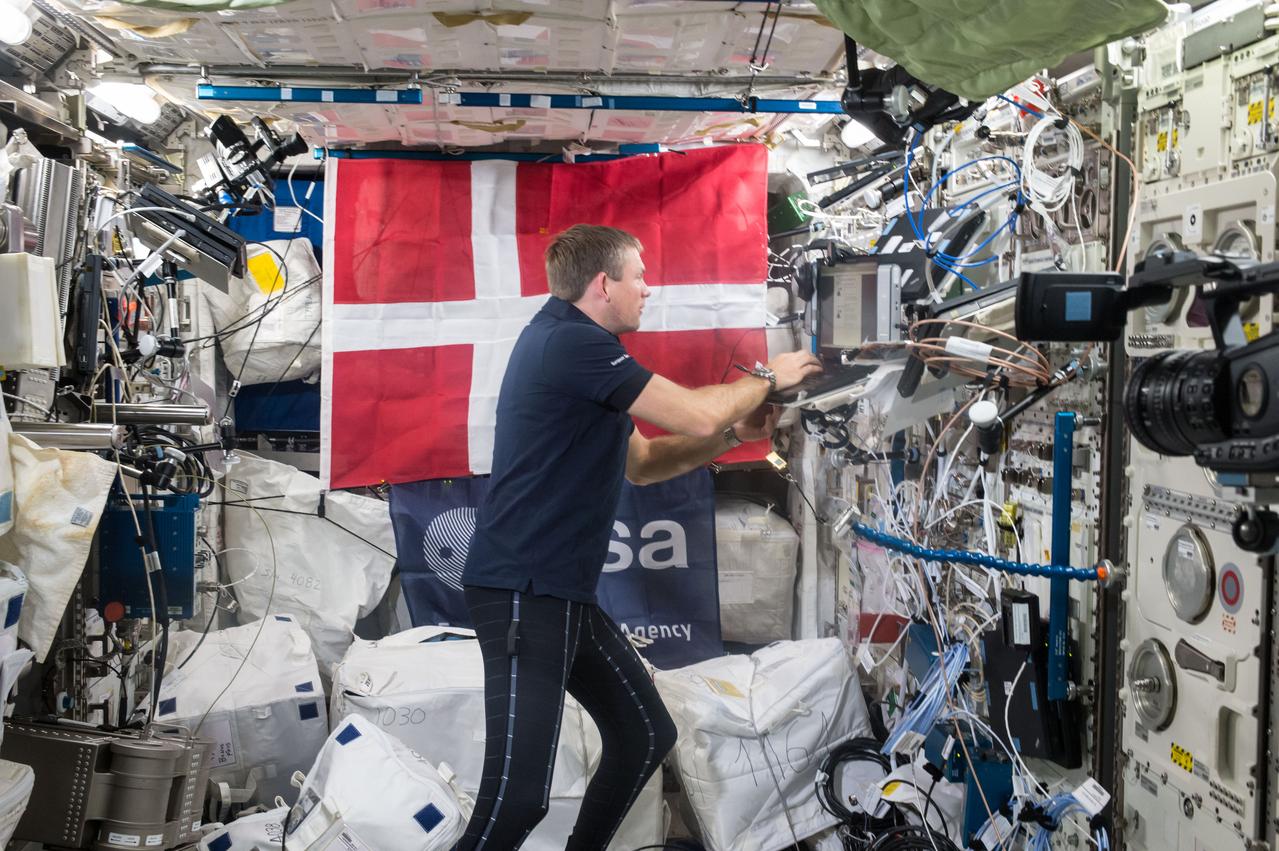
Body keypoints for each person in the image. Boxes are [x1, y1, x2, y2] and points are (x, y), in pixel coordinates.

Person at [458, 224, 822, 850]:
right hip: (523, 592)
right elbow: (701, 410)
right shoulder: (571, 343)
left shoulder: (579, 354)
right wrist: (770, 374)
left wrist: (736, 437)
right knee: (517, 801)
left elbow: (646, 463)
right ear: (604, 285)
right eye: (640, 276)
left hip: (561, 595)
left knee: (644, 735)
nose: (648, 290)